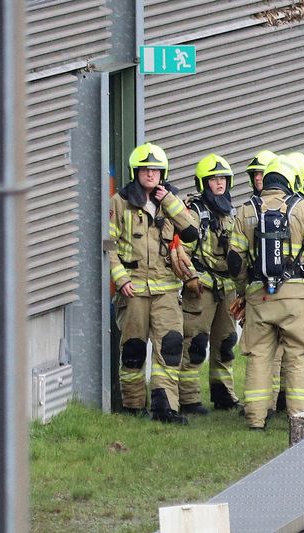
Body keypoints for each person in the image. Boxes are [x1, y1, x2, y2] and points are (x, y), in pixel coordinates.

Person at [227, 155, 304, 430]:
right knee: (299, 356)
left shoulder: (245, 210)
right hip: (296, 297)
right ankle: (300, 420)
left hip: (259, 297)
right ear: (290, 181)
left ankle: (256, 420)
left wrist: (243, 292)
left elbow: (235, 262)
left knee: (259, 357)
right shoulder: (302, 207)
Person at [108, 142, 199, 424]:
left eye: (156, 170)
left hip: (167, 290)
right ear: (136, 172)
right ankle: (134, 406)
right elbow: (107, 244)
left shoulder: (172, 202)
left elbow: (191, 232)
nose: (151, 174)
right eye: (145, 169)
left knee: (170, 348)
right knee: (134, 349)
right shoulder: (119, 202)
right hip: (133, 289)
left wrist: (169, 202)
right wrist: (120, 277)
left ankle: (165, 408)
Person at [177, 153, 241, 415]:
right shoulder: (194, 213)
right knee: (194, 344)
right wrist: (190, 278)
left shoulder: (232, 213)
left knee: (226, 344)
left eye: (223, 179)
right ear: (203, 182)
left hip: (227, 290)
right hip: (200, 290)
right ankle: (188, 399)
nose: (219, 183)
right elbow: (180, 251)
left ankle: (223, 394)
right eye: (214, 179)